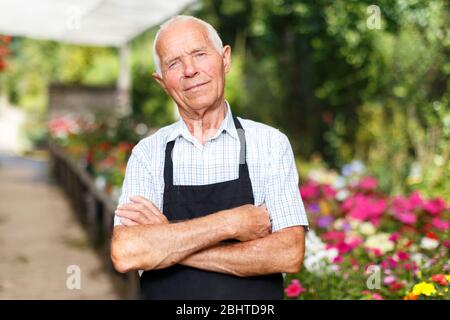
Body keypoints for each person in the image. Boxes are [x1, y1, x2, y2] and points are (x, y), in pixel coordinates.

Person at [110, 15, 309, 300]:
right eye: (174, 63)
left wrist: (168, 241)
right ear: (162, 81)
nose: (190, 70)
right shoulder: (148, 154)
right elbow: (127, 252)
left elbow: (288, 253)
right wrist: (232, 222)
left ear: (225, 59)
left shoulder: (269, 144)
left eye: (199, 54)